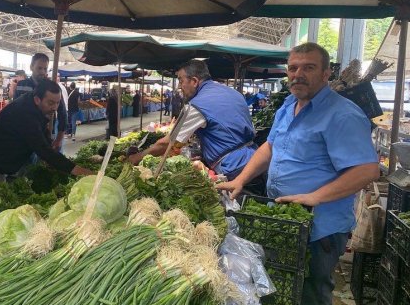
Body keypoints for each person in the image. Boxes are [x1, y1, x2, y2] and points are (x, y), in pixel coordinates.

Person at [217, 43, 379, 305]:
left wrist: (315, 197)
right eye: (293, 68)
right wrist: (240, 179)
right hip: (285, 222)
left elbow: (367, 169)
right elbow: (269, 146)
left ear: (327, 73)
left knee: (311, 293)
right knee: (284, 289)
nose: (298, 74)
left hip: (319, 229)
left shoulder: (342, 115)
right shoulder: (290, 105)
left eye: (309, 67)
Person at [128, 60, 257, 182]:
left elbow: (168, 143)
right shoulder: (234, 93)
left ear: (194, 81)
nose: (179, 86)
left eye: (181, 80)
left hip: (233, 168)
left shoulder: (197, 105)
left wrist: (137, 157)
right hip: (255, 160)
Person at [0, 79, 94, 193]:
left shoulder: (35, 104)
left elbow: (42, 134)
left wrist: (51, 147)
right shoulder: (26, 114)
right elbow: (42, 150)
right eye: (51, 103)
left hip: (11, 151)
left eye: (57, 103)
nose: (55, 107)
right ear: (38, 100)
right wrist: (78, 170)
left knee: (13, 190)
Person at [13, 53, 66, 151]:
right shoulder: (21, 85)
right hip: (24, 136)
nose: (42, 72)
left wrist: (59, 139)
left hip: (46, 135)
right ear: (31, 67)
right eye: (39, 68)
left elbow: (62, 112)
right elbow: (15, 110)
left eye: (45, 69)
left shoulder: (52, 87)